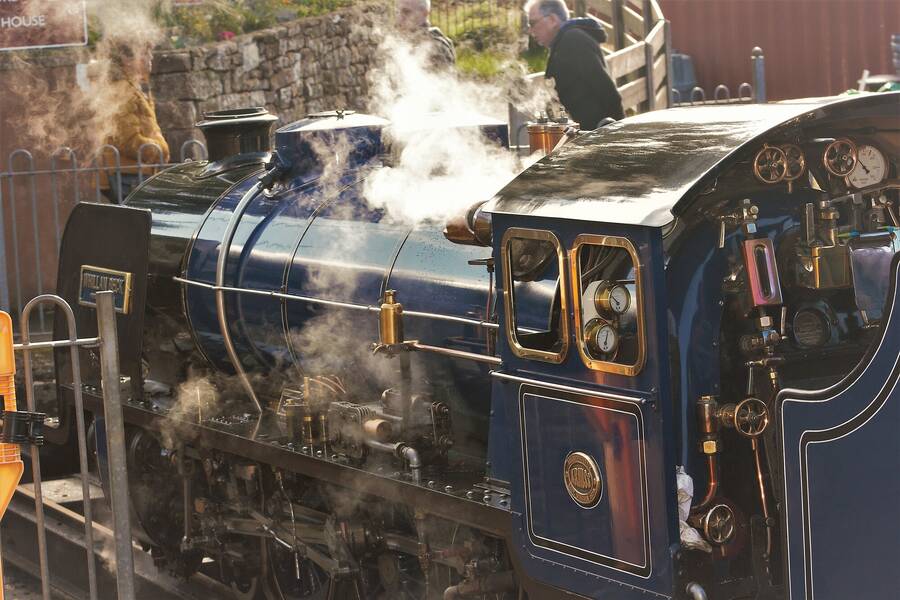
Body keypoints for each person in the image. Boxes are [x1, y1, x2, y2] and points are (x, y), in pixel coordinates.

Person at [525, 0, 624, 129]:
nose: (530, 30)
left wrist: (619, 134)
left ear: (552, 20)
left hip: (597, 132)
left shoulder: (573, 40)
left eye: (533, 23)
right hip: (588, 132)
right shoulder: (563, 42)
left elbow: (608, 93)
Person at [100, 40, 170, 203]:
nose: (150, 57)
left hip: (133, 172)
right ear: (126, 60)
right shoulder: (122, 91)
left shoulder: (134, 87)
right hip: (127, 174)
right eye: (145, 53)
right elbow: (128, 140)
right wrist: (161, 151)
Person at [396, 0, 456, 69]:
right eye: (397, 12)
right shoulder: (403, 41)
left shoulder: (435, 47)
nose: (399, 18)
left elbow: (438, 75)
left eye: (406, 12)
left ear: (424, 13)